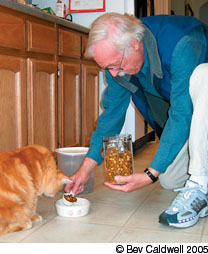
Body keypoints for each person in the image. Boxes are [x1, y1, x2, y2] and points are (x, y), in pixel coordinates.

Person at [64, 12, 208, 228]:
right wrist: (86, 167)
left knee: (204, 76)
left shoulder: (182, 42)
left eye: (115, 65)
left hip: (198, 112)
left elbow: (182, 113)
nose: (112, 74)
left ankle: (199, 185)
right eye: (107, 68)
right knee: (170, 179)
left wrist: (150, 174)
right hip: (195, 128)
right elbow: (111, 114)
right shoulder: (118, 66)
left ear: (134, 44)